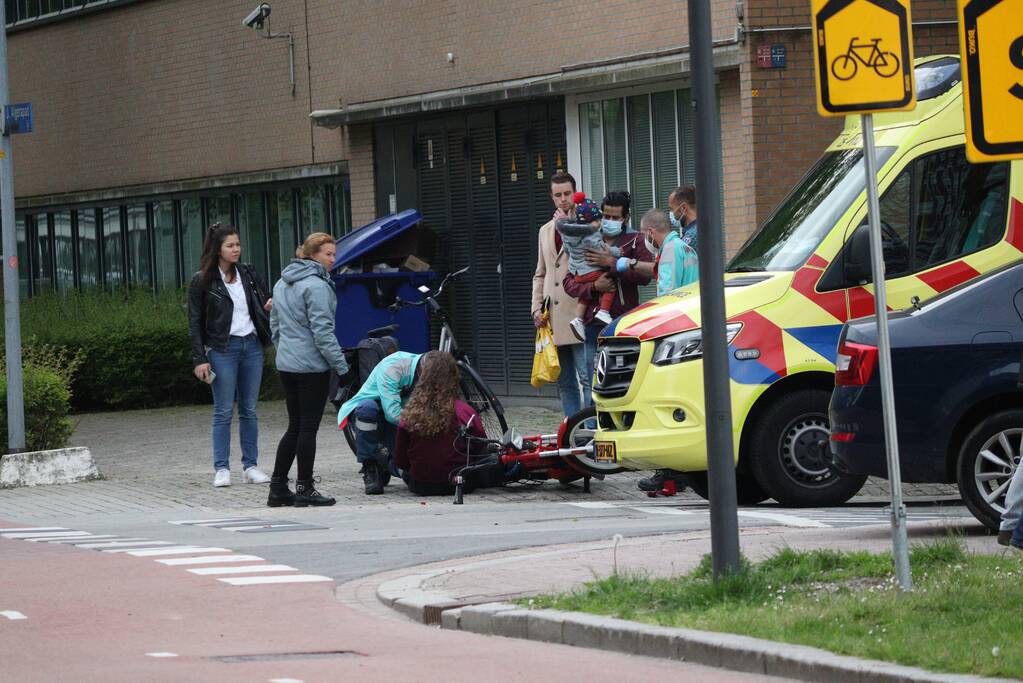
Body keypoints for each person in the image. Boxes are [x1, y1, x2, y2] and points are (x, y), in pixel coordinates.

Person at [267, 232, 350, 508]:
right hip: (312, 366)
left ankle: (278, 488)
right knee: (308, 428)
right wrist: (342, 367)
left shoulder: (281, 282)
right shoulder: (317, 286)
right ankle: (304, 487)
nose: (333, 260)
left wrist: (284, 351)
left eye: (334, 254)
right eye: (328, 254)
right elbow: (323, 333)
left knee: (294, 426)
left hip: (287, 364)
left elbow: (275, 325)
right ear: (312, 255)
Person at [188, 223, 273, 489]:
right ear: (218, 249)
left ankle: (251, 466)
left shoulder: (248, 273)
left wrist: (270, 305)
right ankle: (222, 468)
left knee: (249, 409)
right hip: (222, 349)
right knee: (223, 410)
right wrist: (200, 358)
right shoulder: (202, 280)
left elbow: (264, 301)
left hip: (252, 346)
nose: (236, 249)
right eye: (230, 245)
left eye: (238, 244)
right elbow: (194, 322)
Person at [632, 208, 700, 494]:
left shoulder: (671, 251)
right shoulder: (685, 247)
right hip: (692, 330)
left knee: (668, 404)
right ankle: (683, 471)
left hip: (676, 335)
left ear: (650, 232)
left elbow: (667, 297)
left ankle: (670, 472)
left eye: (643, 234)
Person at [393, 351, 509, 496]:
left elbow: (401, 460)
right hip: (461, 483)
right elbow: (481, 448)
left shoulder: (409, 414)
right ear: (454, 378)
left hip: (420, 485)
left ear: (422, 378)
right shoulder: (465, 411)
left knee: (394, 464)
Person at [563, 190, 653, 365]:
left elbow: (646, 277)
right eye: (606, 216)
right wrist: (594, 286)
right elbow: (568, 283)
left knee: (624, 374)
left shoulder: (636, 240)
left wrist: (613, 263)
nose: (609, 221)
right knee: (593, 376)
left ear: (626, 218)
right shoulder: (586, 237)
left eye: (615, 217)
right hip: (591, 323)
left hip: (624, 321)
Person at [531, 171, 590, 418]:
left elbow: (587, 259)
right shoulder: (545, 230)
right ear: (552, 197)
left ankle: (590, 429)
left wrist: (567, 227)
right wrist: (536, 307)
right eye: (558, 195)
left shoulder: (586, 224)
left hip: (578, 312)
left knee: (587, 377)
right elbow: (540, 273)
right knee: (564, 380)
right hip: (552, 316)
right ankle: (571, 427)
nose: (563, 199)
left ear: (575, 193)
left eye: (567, 193)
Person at [338, 350, 423, 495]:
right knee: (367, 410)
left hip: (398, 417)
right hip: (376, 412)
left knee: (410, 475)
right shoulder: (394, 366)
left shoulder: (428, 373)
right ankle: (370, 467)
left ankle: (386, 462)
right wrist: (421, 424)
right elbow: (392, 413)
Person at [555, 192, 619, 341]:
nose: (602, 222)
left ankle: (578, 318)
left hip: (578, 273)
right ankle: (604, 311)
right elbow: (602, 249)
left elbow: (567, 251)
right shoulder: (591, 235)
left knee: (585, 296)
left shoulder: (569, 235)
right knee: (609, 284)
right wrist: (617, 252)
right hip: (591, 271)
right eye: (599, 219)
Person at [669, 185, 699, 249]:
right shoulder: (698, 228)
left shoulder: (691, 235)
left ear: (683, 208)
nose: (671, 213)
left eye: (672, 208)